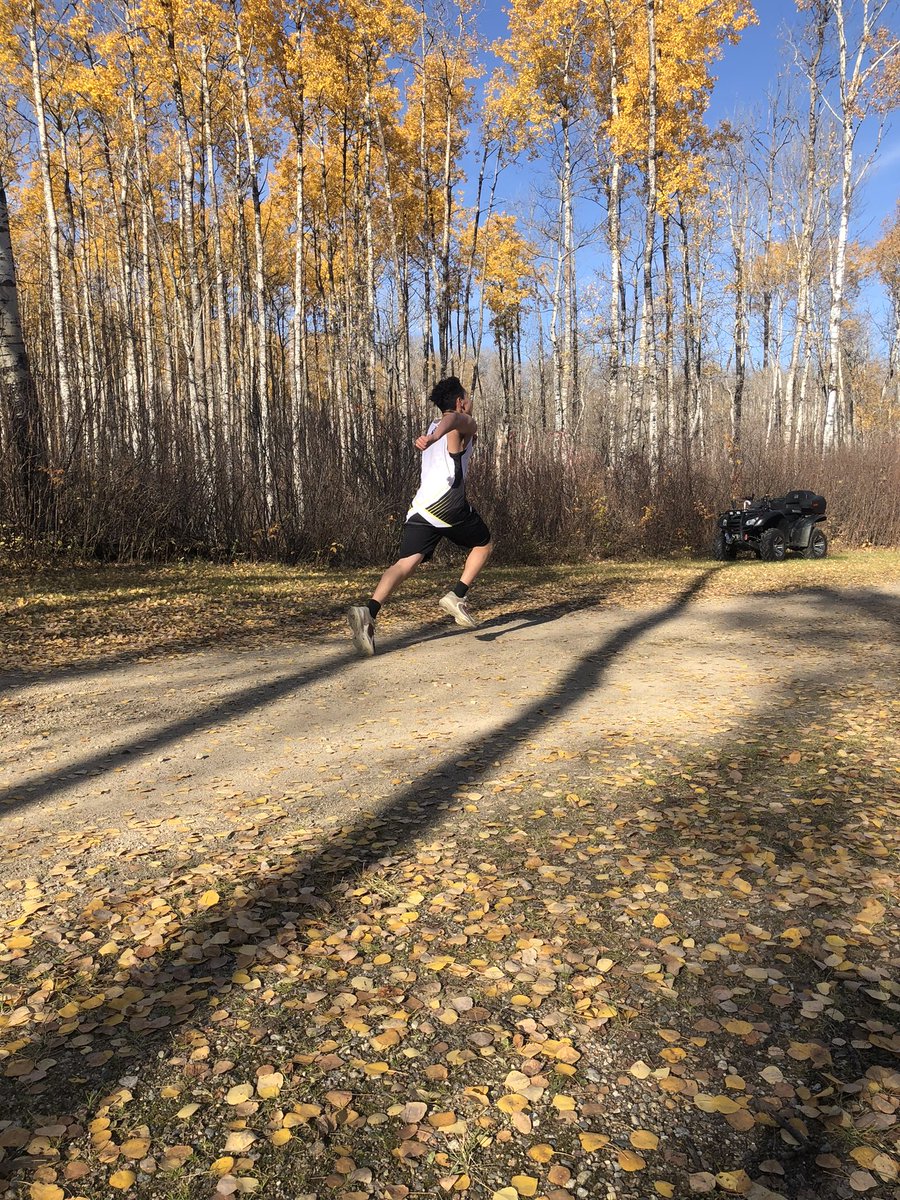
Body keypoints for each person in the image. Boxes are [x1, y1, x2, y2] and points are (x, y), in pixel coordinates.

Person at [347, 376, 493, 657]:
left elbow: (445, 423)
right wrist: (438, 435)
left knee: (406, 563)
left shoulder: (432, 425)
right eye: (468, 397)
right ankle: (457, 596)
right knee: (484, 543)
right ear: (460, 403)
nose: (471, 402)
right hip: (446, 503)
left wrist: (433, 434)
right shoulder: (462, 422)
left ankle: (369, 612)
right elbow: (452, 422)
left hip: (421, 507)